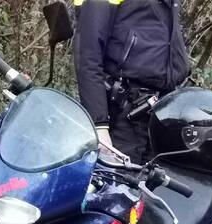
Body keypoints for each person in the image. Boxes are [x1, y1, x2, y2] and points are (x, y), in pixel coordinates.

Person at [73, 0, 192, 163]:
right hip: (122, 115)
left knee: (152, 186)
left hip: (159, 114)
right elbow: (88, 56)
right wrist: (99, 125)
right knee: (117, 184)